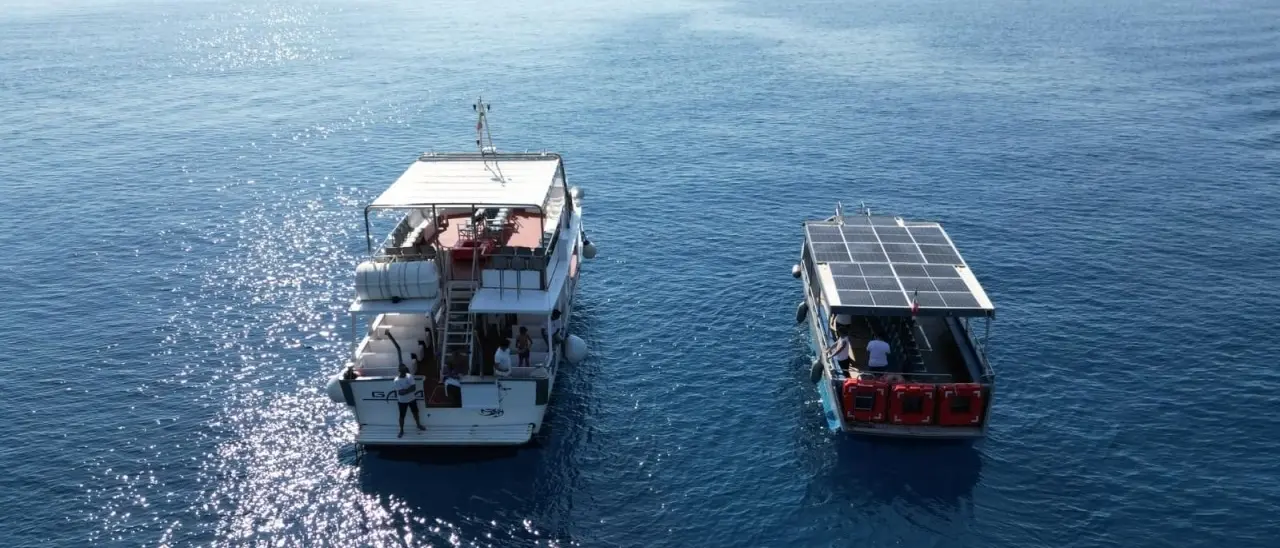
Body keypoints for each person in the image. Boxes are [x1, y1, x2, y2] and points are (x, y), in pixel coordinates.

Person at [392, 366, 426, 438]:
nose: (405, 372)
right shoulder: (396, 381)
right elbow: (401, 392)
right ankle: (401, 430)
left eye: (405, 370)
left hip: (412, 399)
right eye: (403, 371)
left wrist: (405, 390)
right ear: (399, 371)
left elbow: (414, 388)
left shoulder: (409, 376)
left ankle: (418, 425)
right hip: (402, 401)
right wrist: (409, 389)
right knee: (402, 416)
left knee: (416, 413)